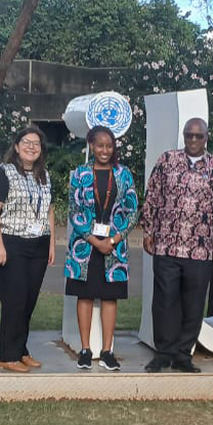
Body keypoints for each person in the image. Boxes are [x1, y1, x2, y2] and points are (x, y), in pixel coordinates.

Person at [140, 118, 213, 373]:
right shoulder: (167, 160)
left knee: (193, 303)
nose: (193, 140)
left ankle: (183, 354)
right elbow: (153, 196)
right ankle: (164, 353)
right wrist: (148, 230)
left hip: (200, 249)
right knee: (164, 301)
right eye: (189, 135)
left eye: (198, 136)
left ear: (206, 138)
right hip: (167, 246)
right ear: (183, 135)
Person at [65, 125, 138, 371]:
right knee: (84, 295)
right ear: (91, 146)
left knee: (110, 297)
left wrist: (113, 240)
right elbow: (74, 212)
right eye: (100, 145)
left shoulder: (123, 174)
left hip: (114, 249)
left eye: (109, 146)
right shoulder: (79, 174)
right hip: (85, 247)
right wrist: (95, 241)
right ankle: (86, 350)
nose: (104, 150)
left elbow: (133, 212)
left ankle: (108, 351)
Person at [0, 125, 56, 373]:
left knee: (28, 301)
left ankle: (21, 349)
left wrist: (51, 242)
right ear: (16, 147)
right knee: (14, 300)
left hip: (38, 244)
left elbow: (49, 210)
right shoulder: (5, 174)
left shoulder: (44, 176)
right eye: (26, 142)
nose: (31, 147)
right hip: (11, 243)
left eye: (36, 143)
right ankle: (8, 355)